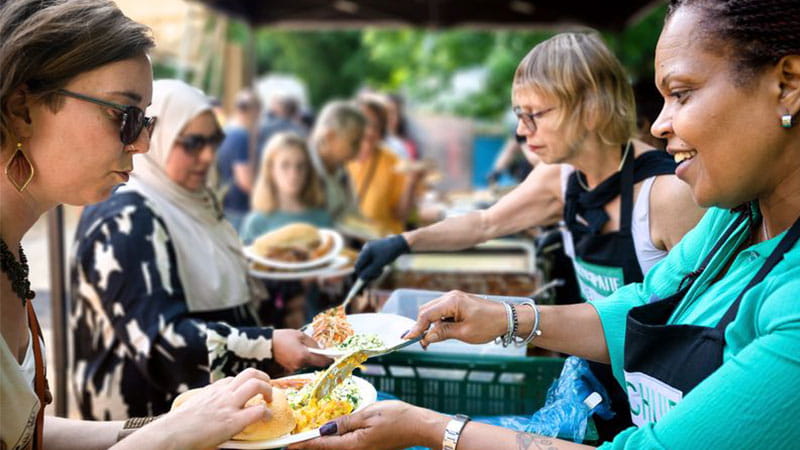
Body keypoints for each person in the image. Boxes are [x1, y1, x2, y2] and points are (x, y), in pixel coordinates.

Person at [292, 0, 800, 448]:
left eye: (682, 93)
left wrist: (434, 430)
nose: (660, 123)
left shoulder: (675, 197)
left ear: (788, 85)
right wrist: (502, 315)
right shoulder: (731, 222)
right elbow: (643, 309)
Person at [354, 31, 705, 440]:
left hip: (659, 400)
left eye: (535, 114)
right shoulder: (562, 178)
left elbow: (700, 329)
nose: (522, 131)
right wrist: (403, 243)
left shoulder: (667, 195)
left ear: (590, 108)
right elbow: (484, 223)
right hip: (601, 379)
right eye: (519, 116)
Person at [0, 1, 274, 449]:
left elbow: (27, 432)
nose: (144, 143)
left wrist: (176, 425)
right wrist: (169, 433)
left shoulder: (10, 251)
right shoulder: (124, 216)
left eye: (145, 121)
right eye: (124, 116)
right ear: (21, 109)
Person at [69, 79, 330, 421]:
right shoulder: (126, 218)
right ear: (154, 141)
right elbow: (162, 344)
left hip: (212, 415)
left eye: (213, 140)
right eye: (192, 143)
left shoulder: (194, 202)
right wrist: (267, 345)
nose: (208, 156)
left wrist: (285, 297)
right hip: (146, 424)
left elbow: (223, 298)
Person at [239, 132, 332, 244]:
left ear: (309, 171)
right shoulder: (256, 222)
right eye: (285, 165)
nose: (294, 174)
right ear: (271, 170)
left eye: (301, 166)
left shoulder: (322, 218)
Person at [346, 98, 421, 235]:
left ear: (381, 130)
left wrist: (411, 182)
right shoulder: (339, 158)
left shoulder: (391, 161)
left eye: (375, 125)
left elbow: (401, 215)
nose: (368, 130)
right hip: (345, 245)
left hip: (382, 246)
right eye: (363, 123)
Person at [307, 100, 366, 221]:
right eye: (354, 143)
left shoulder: (341, 172)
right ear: (330, 136)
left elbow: (352, 215)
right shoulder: (301, 169)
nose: (359, 150)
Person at [216, 89, 260, 230]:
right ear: (255, 110)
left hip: (226, 203)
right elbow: (244, 179)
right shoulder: (241, 136)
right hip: (240, 208)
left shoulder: (227, 129)